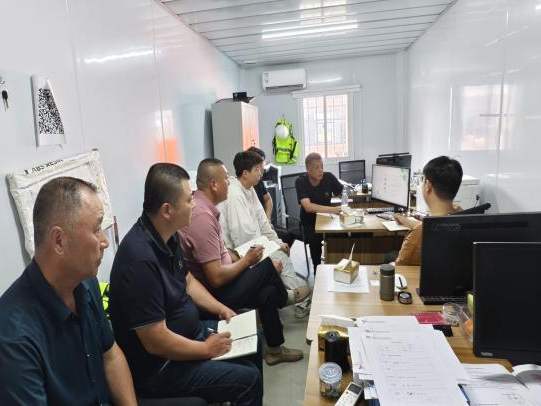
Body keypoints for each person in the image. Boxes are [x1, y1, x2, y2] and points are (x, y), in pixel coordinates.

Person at [108, 163, 262, 405]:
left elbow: (188, 281)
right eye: (189, 200)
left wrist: (221, 309)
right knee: (248, 379)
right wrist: (206, 350)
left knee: (253, 339)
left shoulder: (168, 237)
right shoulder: (139, 261)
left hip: (192, 334)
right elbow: (156, 341)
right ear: (167, 210)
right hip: (162, 367)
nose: (194, 205)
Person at [0, 177, 137, 405]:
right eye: (96, 229)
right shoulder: (13, 336)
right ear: (59, 241)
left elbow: (110, 355)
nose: (104, 241)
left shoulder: (86, 283)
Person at [179, 158, 305, 365]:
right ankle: (286, 298)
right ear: (214, 184)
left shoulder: (207, 209)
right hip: (215, 293)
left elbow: (222, 254)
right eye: (225, 179)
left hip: (224, 278)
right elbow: (216, 278)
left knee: (267, 292)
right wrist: (247, 261)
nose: (229, 182)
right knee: (267, 266)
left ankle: (274, 350)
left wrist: (241, 257)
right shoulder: (201, 216)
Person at [218, 151, 311, 318]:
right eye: (257, 169)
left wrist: (277, 242)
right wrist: (266, 257)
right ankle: (294, 299)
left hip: (253, 245)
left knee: (281, 252)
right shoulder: (235, 194)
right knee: (278, 259)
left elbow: (263, 222)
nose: (261, 172)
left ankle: (295, 298)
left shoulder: (249, 189)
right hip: (238, 253)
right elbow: (242, 238)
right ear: (245, 173)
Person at [393, 155, 463, 265]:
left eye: (423, 180)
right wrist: (406, 221)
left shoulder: (419, 234)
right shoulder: (462, 215)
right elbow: (432, 225)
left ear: (428, 186)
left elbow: (399, 267)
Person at [295, 152, 343, 273]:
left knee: (342, 234)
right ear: (308, 169)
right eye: (317, 167)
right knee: (314, 240)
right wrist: (332, 209)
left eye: (322, 166)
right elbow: (308, 207)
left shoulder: (328, 177)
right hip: (309, 222)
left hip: (327, 219)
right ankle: (317, 270)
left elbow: (343, 192)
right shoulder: (300, 181)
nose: (321, 170)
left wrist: (344, 204)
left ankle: (338, 266)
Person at [247, 146, 295, 247]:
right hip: (255, 229)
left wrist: (267, 220)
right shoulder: (246, 188)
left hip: (264, 223)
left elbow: (268, 199)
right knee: (286, 237)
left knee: (288, 234)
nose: (262, 169)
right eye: (260, 165)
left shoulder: (258, 182)